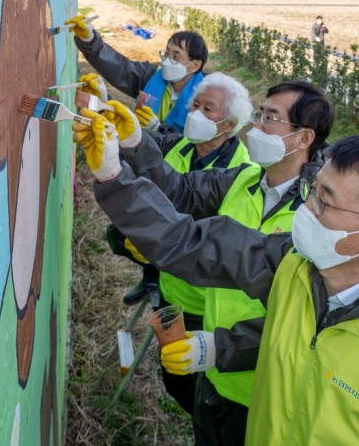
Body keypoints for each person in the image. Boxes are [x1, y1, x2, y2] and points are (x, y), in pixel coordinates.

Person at [73, 114, 359, 445]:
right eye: (312, 190)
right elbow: (190, 243)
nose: (305, 208)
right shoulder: (292, 267)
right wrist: (113, 176)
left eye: (324, 201)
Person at [106, 81, 334, 444]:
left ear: (304, 138)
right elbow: (179, 190)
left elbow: (305, 321)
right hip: (213, 373)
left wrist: (219, 347)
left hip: (262, 392)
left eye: (270, 119)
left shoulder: (319, 219)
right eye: (259, 115)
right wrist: (135, 143)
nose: (256, 127)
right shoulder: (243, 180)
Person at [102, 72, 253, 416]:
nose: (195, 113)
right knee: (173, 376)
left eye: (207, 108)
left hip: (205, 302)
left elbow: (216, 238)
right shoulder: (180, 146)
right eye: (195, 104)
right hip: (171, 286)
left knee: (199, 388)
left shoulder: (242, 172)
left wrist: (157, 246)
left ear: (228, 124)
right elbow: (150, 180)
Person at [65, 14, 208, 134]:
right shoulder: (150, 75)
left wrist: (158, 129)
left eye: (175, 56)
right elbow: (119, 68)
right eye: (167, 53)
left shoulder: (207, 96)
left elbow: (200, 145)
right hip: (141, 156)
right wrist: (89, 40)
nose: (167, 61)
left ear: (195, 65)